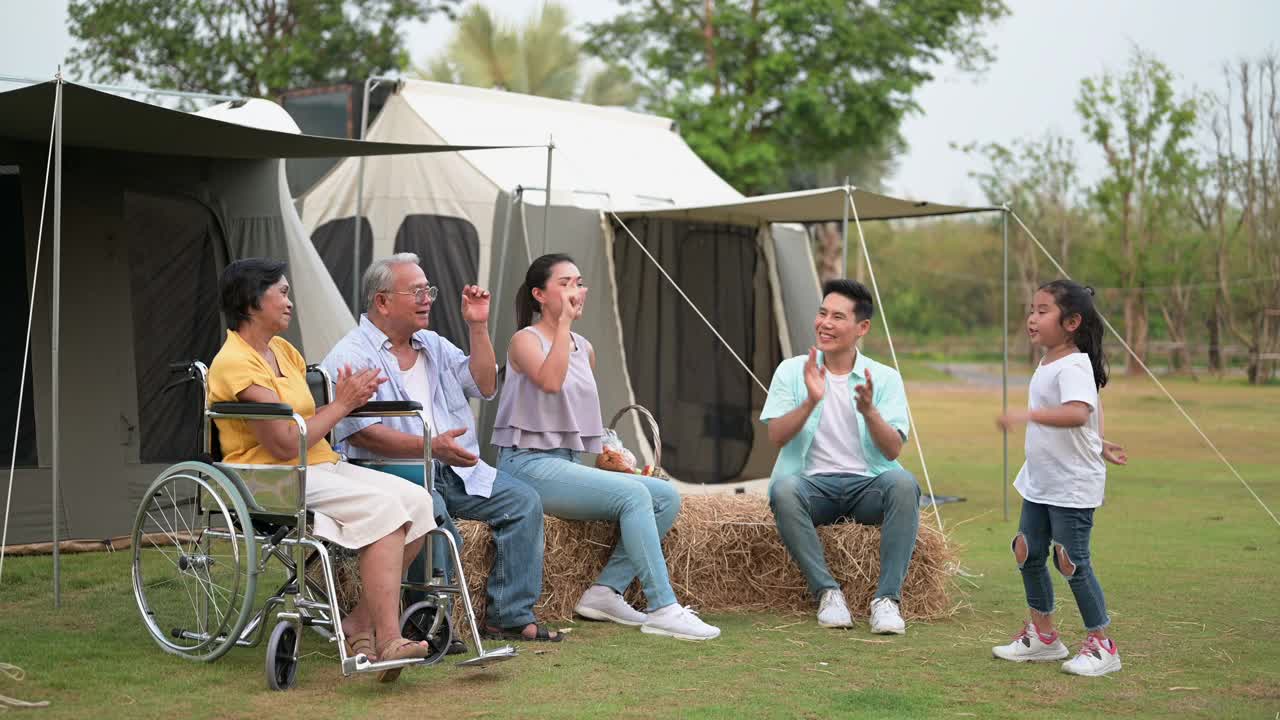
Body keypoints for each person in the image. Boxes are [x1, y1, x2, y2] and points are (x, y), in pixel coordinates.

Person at [207, 258, 435, 681]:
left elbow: (313, 424)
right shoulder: (234, 361)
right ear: (252, 302)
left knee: (419, 503)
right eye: (283, 293)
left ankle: (358, 623)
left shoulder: (284, 352)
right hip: (268, 477)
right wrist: (343, 404)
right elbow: (281, 443)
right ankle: (388, 639)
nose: (291, 302)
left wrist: (355, 395)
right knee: (386, 509)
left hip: (319, 465)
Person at [322, 253, 559, 643]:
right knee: (431, 512)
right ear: (382, 301)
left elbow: (483, 385)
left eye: (428, 290)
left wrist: (478, 326)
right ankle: (427, 620)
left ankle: (508, 615)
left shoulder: (431, 344)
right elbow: (362, 434)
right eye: (416, 291)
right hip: (391, 470)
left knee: (524, 502)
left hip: (454, 466)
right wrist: (431, 448)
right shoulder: (351, 354)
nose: (427, 298)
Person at [492, 253, 720, 641]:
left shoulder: (585, 348)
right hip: (526, 465)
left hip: (565, 463)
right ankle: (663, 607)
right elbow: (550, 382)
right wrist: (562, 324)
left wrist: (608, 454)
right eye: (564, 283)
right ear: (539, 294)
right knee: (634, 497)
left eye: (578, 282)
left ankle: (605, 591)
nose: (575, 290)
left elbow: (573, 418)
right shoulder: (523, 341)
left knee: (665, 495)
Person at [763, 279, 920, 635]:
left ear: (862, 327)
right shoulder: (792, 370)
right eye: (822, 314)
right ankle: (828, 593)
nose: (825, 324)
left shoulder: (884, 377)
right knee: (783, 490)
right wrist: (810, 401)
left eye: (837, 317)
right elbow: (776, 436)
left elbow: (892, 449)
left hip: (867, 488)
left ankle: (887, 600)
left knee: (904, 483)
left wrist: (869, 412)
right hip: (812, 488)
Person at [991, 279, 1127, 677]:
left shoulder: (1073, 364)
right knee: (1027, 551)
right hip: (1040, 480)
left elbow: (1076, 413)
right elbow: (1085, 420)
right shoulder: (1050, 360)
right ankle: (1044, 637)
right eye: (1031, 310)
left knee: (1071, 561)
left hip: (1071, 485)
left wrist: (1025, 415)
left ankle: (1103, 646)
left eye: (1042, 311)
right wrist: (1099, 443)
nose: (1032, 319)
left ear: (1071, 322)